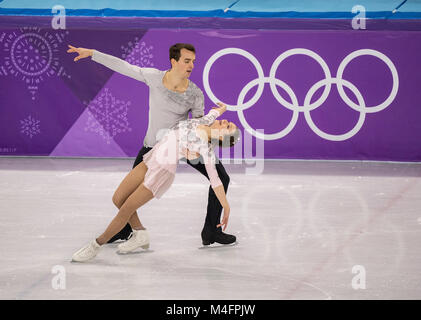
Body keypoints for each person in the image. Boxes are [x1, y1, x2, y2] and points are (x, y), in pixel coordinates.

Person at [67, 43, 236, 246]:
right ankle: (126, 230)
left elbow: (202, 127)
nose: (191, 66)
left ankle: (211, 231)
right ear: (174, 62)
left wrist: (198, 150)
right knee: (125, 195)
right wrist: (93, 53)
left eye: (193, 62)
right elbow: (124, 67)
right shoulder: (154, 77)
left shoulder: (195, 94)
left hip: (181, 146)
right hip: (152, 148)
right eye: (186, 61)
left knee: (221, 178)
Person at [71, 104, 240, 262]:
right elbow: (214, 113)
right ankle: (140, 233)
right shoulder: (205, 121)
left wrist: (226, 206)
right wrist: (223, 109)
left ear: (221, 138)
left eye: (227, 127)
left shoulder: (205, 149)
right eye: (229, 123)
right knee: (118, 198)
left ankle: (95, 245)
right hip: (152, 158)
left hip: (161, 172)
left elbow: (216, 181)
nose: (225, 122)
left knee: (126, 209)